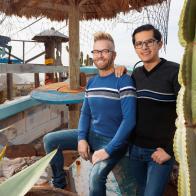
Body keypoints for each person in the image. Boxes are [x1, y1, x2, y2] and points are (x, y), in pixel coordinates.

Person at [43, 32, 136, 196]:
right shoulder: (92, 82)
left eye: (105, 51)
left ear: (113, 55)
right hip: (93, 135)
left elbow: (129, 120)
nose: (100, 55)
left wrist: (108, 150)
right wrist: (81, 139)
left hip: (114, 141)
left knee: (95, 177)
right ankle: (60, 184)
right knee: (50, 140)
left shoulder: (123, 80)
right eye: (96, 51)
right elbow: (85, 113)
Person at [115, 24, 180, 196]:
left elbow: (185, 116)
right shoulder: (135, 74)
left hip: (160, 151)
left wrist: (170, 150)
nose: (144, 47)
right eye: (139, 43)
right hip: (135, 149)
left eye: (149, 42)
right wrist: (121, 71)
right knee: (140, 191)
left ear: (160, 44)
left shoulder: (175, 72)